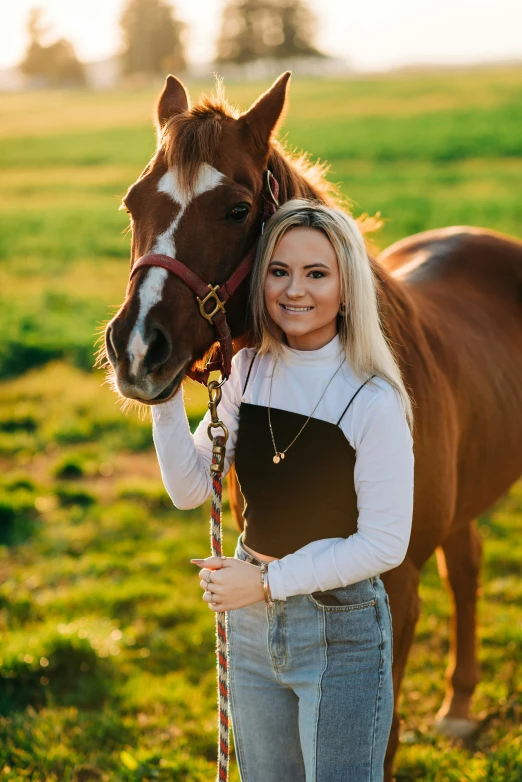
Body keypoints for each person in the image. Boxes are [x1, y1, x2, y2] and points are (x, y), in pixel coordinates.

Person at [151, 199, 415, 782]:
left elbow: (384, 544)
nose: (295, 290)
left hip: (339, 629)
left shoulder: (372, 400)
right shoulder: (248, 371)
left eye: (316, 274)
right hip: (249, 627)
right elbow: (191, 488)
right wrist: (165, 398)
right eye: (279, 271)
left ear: (348, 288)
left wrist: (266, 583)